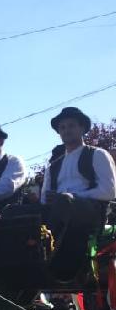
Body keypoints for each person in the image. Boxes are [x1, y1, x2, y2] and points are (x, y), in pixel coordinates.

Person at [40, 107, 116, 279]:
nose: (67, 130)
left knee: (65, 201)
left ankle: (53, 262)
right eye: (63, 127)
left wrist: (69, 196)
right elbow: (44, 198)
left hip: (91, 212)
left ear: (82, 129)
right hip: (57, 212)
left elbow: (109, 191)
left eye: (71, 126)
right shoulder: (53, 166)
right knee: (16, 212)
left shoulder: (97, 155)